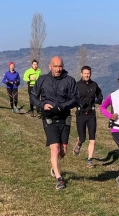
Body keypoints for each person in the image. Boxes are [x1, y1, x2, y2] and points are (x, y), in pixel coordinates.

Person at [30, 56, 79, 190]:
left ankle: (54, 166)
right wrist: (41, 105)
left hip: (64, 118)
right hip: (49, 118)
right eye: (55, 66)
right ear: (49, 66)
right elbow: (33, 96)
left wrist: (63, 106)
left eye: (60, 66)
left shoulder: (70, 80)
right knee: (55, 148)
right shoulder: (42, 80)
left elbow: (75, 99)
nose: (58, 69)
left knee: (62, 151)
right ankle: (59, 179)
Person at [73, 66, 103, 168]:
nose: (87, 75)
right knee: (83, 137)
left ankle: (89, 160)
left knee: (92, 139)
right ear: (81, 74)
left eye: (88, 73)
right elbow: (72, 98)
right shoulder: (76, 85)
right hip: (80, 114)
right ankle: (79, 143)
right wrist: (79, 103)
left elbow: (100, 95)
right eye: (85, 73)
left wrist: (98, 100)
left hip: (91, 114)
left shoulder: (94, 85)